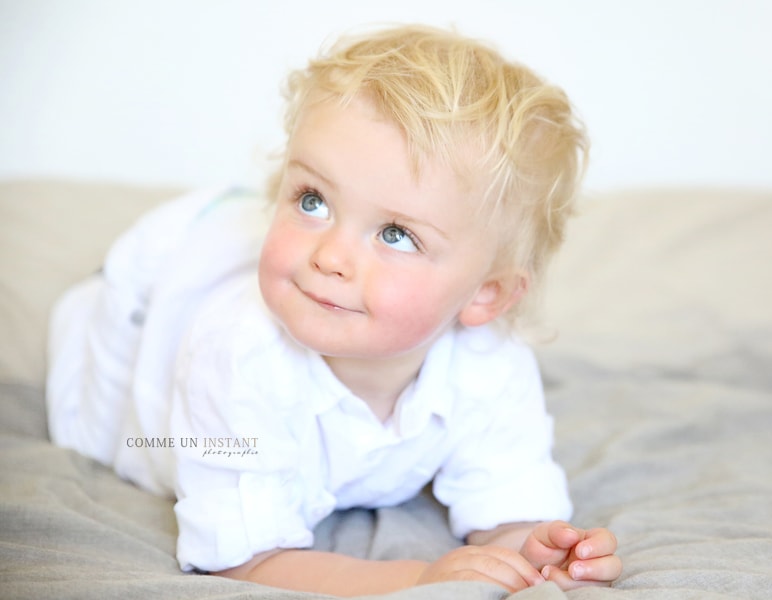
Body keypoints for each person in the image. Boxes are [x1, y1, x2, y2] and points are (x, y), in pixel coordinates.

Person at [46, 24, 622, 595]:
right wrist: (418, 577)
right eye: (311, 199)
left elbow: (508, 504)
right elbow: (244, 557)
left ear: (485, 295)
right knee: (96, 408)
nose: (331, 256)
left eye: (396, 234)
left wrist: (540, 553)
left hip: (219, 274)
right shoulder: (240, 354)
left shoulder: (491, 362)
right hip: (149, 311)